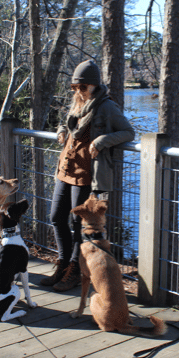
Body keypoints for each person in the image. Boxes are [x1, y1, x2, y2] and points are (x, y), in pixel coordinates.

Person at [40, 60, 135, 292]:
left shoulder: (106, 107)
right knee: (55, 217)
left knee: (77, 223)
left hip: (86, 174)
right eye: (75, 87)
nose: (78, 91)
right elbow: (68, 126)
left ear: (94, 85)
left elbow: (128, 132)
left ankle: (74, 268)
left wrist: (103, 140)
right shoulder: (78, 105)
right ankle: (63, 264)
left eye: (82, 87)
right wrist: (61, 130)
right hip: (66, 169)